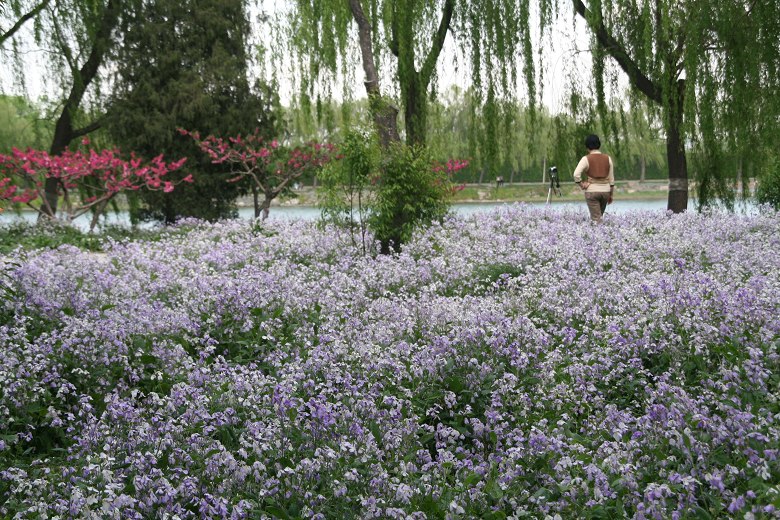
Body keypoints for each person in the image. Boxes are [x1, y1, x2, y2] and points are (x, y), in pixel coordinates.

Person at [573, 134, 614, 223]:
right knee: (599, 217)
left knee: (596, 220)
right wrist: (611, 195)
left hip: (592, 191)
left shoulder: (586, 159)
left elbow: (576, 174)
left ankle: (598, 235)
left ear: (587, 147)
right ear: (599, 145)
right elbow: (611, 180)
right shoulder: (608, 158)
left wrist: (582, 185)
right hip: (605, 191)